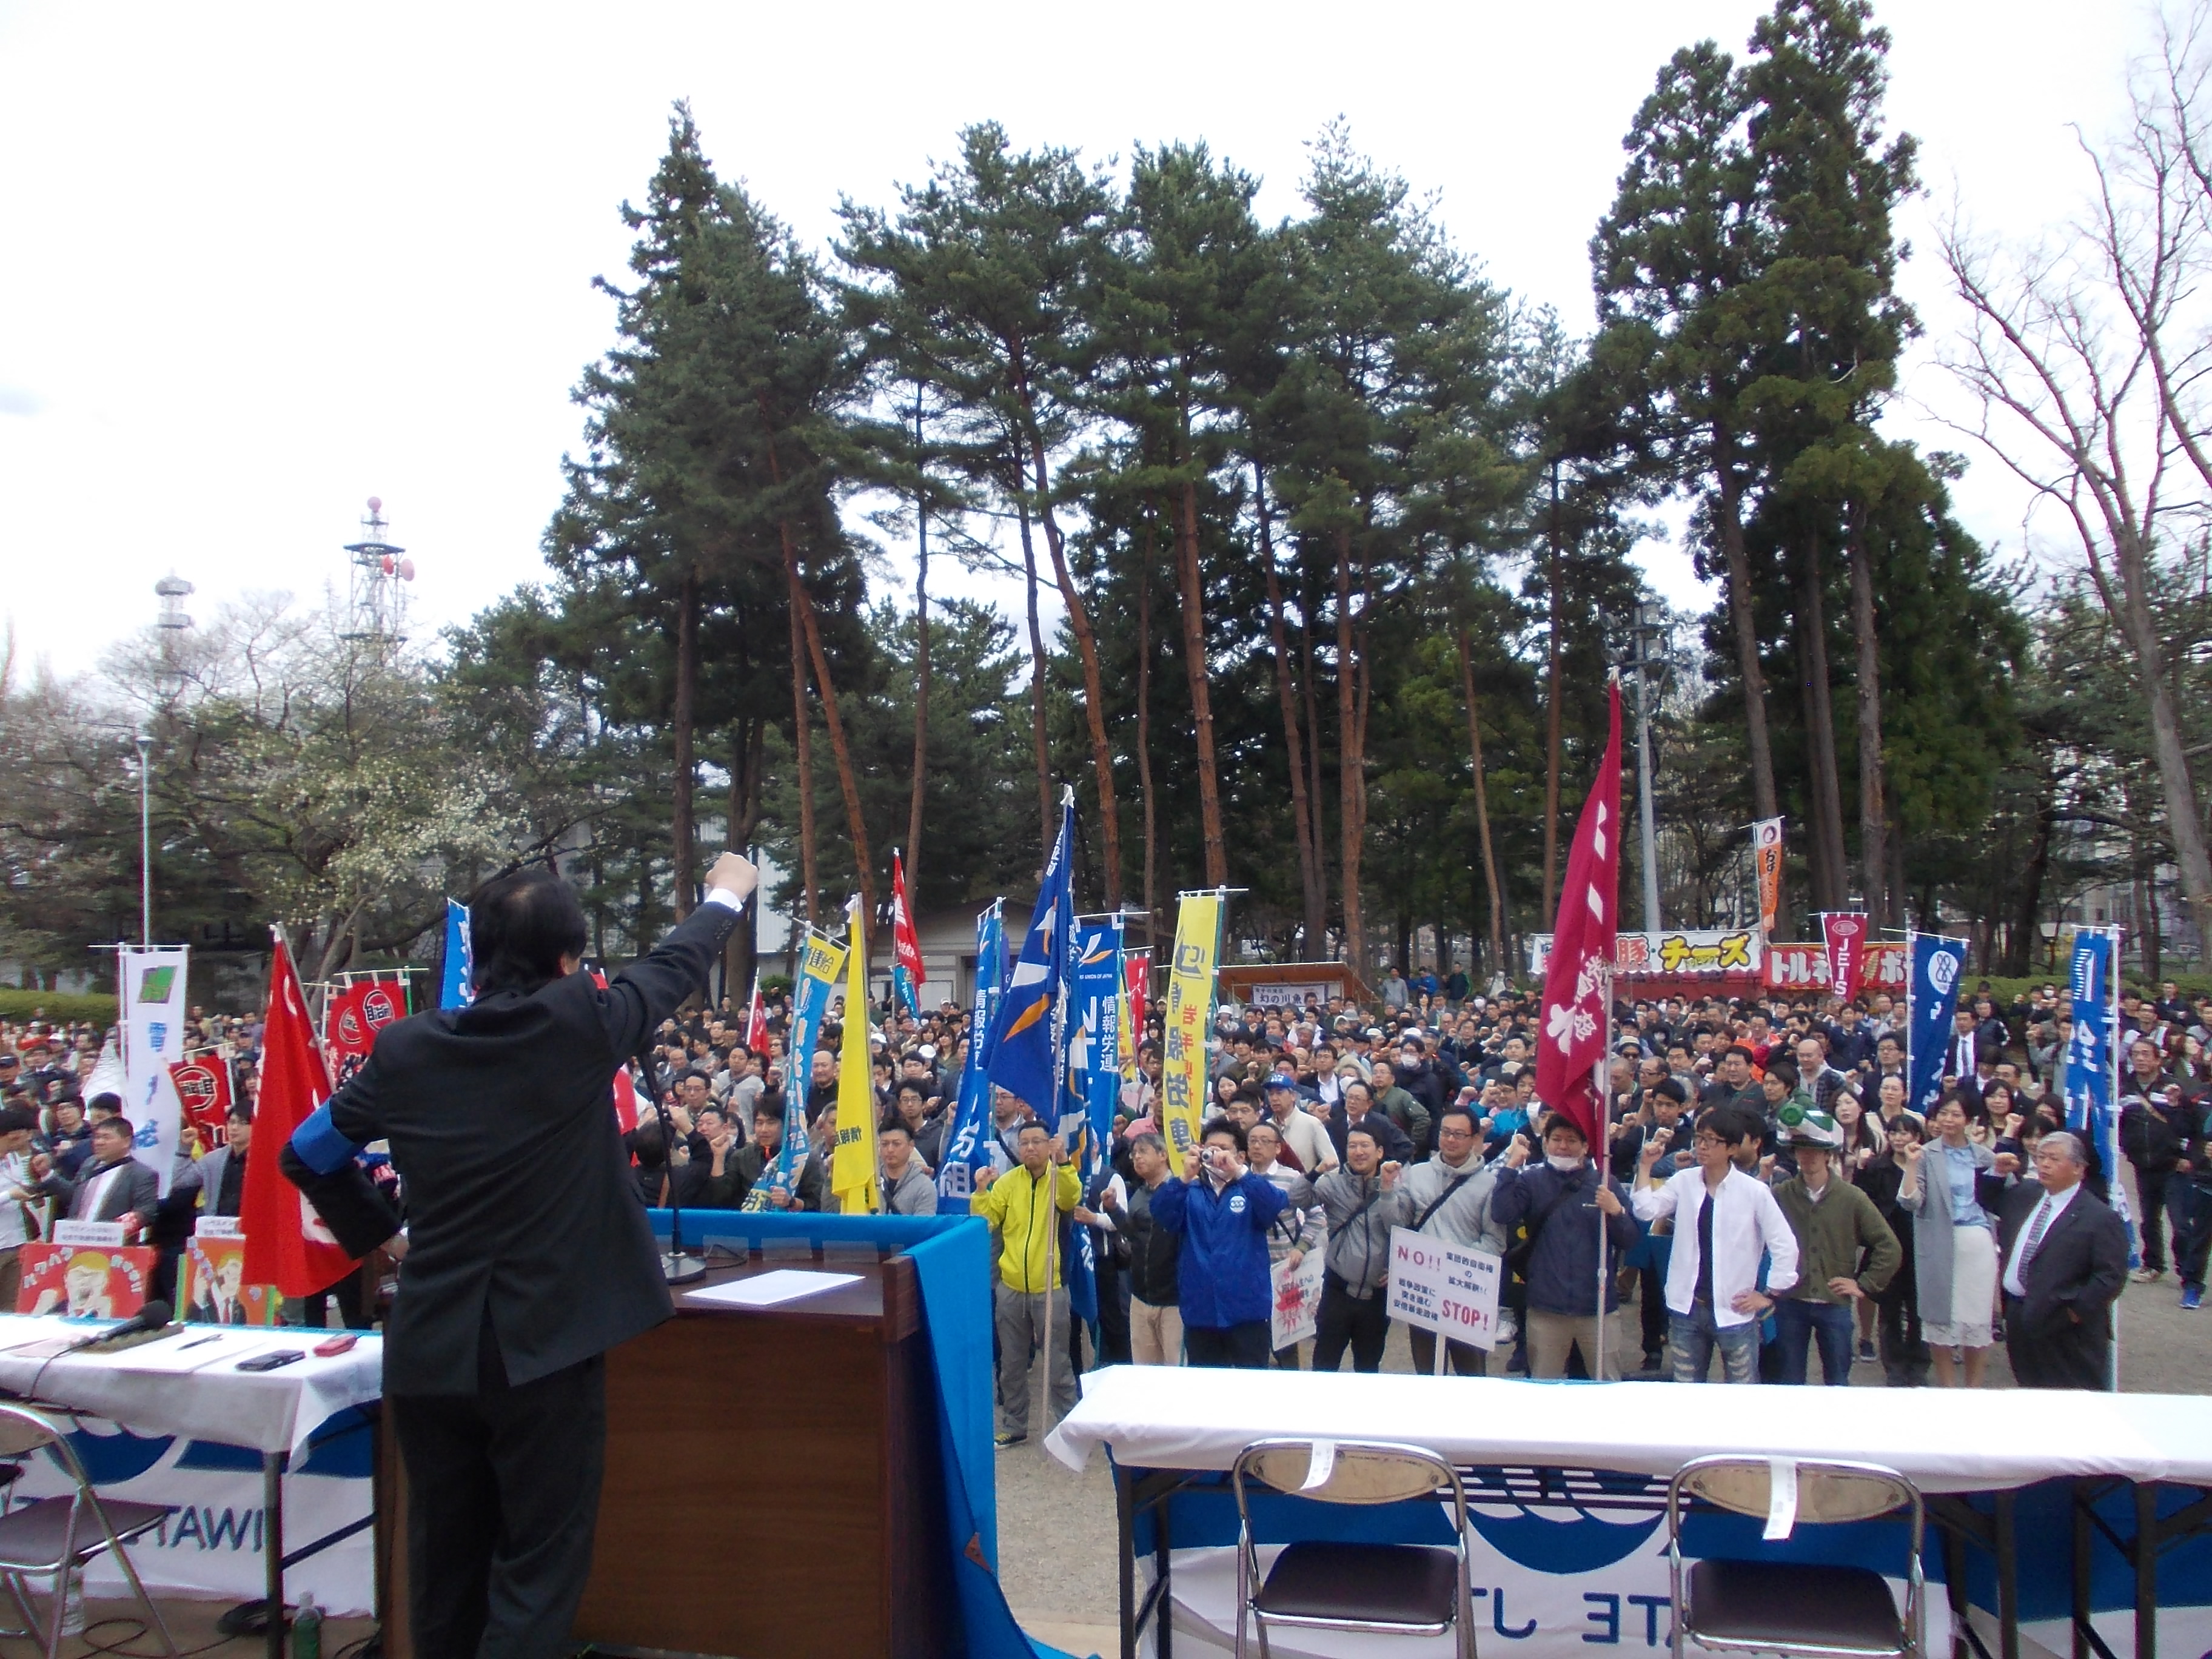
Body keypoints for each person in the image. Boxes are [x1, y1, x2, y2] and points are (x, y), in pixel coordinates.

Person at [280, 851, 757, 1659]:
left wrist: (383, 1237)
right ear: (570, 960)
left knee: (445, 1570)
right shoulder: (582, 1023)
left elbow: (306, 1151)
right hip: (546, 1355)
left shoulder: (405, 1050)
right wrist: (726, 893)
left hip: (429, 1350)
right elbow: (676, 963)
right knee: (536, 1573)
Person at [1631, 1105, 1800, 1384]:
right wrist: (1646, 1167)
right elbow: (1646, 1210)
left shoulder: (1753, 1191)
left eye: (1712, 1140)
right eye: (1700, 1139)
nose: (1703, 1147)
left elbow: (1784, 1244)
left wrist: (1769, 1293)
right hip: (1687, 1306)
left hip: (1735, 1309)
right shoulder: (1684, 1181)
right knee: (1687, 1390)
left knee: (1742, 1390)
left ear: (1731, 1148)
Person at [1491, 1113, 1637, 1379]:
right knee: (1544, 1386)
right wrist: (1510, 1167)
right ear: (1545, 1142)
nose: (1562, 1146)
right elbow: (1502, 1213)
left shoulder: (1604, 1184)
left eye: (1571, 1140)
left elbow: (1629, 1240)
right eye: (1556, 1139)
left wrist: (1616, 1212)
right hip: (1547, 1307)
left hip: (1597, 1307)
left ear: (1585, 1146)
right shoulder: (1531, 1181)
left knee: (1606, 1385)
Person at [1768, 1116, 1902, 1386]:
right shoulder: (1781, 1194)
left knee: (1838, 1381)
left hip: (1834, 1303)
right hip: (1791, 1300)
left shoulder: (1851, 1196)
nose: (1809, 1157)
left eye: (1816, 1150)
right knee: (1790, 1380)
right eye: (1802, 1150)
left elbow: (1889, 1246)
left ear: (1828, 1155)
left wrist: (1864, 1284)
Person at [1989, 1131, 2128, 1389]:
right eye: (2041, 1157)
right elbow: (1988, 1198)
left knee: (2069, 1396)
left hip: (2065, 1324)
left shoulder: (2098, 1217)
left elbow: (2110, 1276)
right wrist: (1997, 1172)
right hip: (2020, 1313)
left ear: (2078, 1168)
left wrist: (2075, 1312)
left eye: (2054, 1159)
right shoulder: (2026, 1195)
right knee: (2030, 1388)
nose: (2045, 1165)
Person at [970, 1121, 1080, 1447]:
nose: (1030, 1148)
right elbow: (987, 1221)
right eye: (1025, 1143)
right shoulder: (1008, 1183)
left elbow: (1071, 1198)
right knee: (1011, 1363)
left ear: (1049, 1146)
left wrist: (1063, 1162)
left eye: (1037, 1142)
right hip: (1011, 1287)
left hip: (1051, 1287)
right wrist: (980, 1192)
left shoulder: (1060, 1178)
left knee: (1058, 1362)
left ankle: (1070, 1425)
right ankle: (1015, 1425)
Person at [1150, 1119, 1287, 1367]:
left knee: (1250, 1385)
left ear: (1241, 1156)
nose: (1216, 1155)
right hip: (1201, 1310)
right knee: (1206, 1390)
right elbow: (1161, 1214)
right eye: (1210, 1148)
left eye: (1224, 1149)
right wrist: (1183, 1177)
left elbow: (1275, 1205)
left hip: (1247, 1309)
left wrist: (1239, 1171)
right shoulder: (1190, 1190)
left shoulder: (1249, 1188)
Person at [1895, 1092, 1999, 1387]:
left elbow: (1996, 1198)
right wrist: (1912, 1164)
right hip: (1940, 1239)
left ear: (1968, 1119)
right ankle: (1947, 1387)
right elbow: (1910, 1201)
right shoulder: (1926, 1153)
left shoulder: (1983, 1155)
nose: (1949, 1120)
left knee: (1976, 1318)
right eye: (1944, 1113)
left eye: (1956, 1114)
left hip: (1977, 1241)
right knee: (1940, 1317)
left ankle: (1974, 1387)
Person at [1393, 1104, 1504, 1376]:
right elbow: (1398, 1223)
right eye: (1445, 1133)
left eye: (1458, 1134)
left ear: (1474, 1139)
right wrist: (1387, 1193)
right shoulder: (1416, 1174)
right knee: (1428, 1372)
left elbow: (1495, 1240)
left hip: (1466, 1293)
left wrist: (1455, 1265)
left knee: (1471, 1374)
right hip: (1423, 1291)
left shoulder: (1490, 1183)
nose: (1450, 1140)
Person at [1310, 1123, 1401, 1373]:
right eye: (1352, 1146)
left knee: (1368, 1367)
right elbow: (1297, 1200)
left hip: (1376, 1295)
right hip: (1338, 1289)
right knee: (1324, 1365)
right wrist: (1314, 1173)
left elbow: (1399, 1228)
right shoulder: (1331, 1183)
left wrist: (1386, 1190)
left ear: (1380, 1152)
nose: (1358, 1152)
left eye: (1365, 1146)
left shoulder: (1397, 1184)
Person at [1243, 1119, 1324, 1367]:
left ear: (1278, 1148)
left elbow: (1317, 1216)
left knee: (1285, 1341)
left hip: (1283, 1271)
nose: (1257, 1147)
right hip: (1247, 1271)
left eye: (1264, 1142)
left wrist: (1301, 1248)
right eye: (1253, 1141)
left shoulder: (1292, 1178)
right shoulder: (1238, 1178)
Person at [1858, 1114, 1932, 1386]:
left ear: (1917, 1137)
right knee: (1889, 1310)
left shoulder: (1926, 1166)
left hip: (1919, 1245)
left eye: (1906, 1133)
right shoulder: (1877, 1167)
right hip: (1887, 1246)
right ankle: (1894, 1364)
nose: (1899, 1138)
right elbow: (1865, 1202)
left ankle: (1919, 1363)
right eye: (1894, 1133)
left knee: (1918, 1309)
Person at [1101, 1131, 1182, 1366]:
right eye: (1134, 1154)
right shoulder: (1141, 1191)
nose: (1136, 1158)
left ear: (1163, 1155)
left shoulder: (1178, 1190)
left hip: (1173, 1300)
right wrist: (1113, 1209)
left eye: (1143, 1152)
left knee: (1175, 1368)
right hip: (1141, 1294)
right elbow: (1133, 1233)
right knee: (1144, 1370)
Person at [33, 1115, 158, 1234]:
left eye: (106, 1137)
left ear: (126, 1141)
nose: (99, 1142)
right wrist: (47, 1173)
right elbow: (73, 1195)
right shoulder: (89, 1164)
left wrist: (122, 1226)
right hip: (74, 1237)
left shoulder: (141, 1174)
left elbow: (146, 1210)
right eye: (97, 1137)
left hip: (111, 1245)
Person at [875, 1120, 936, 1215]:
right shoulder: (871, 1182)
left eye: (896, 1144)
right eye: (885, 1144)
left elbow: (923, 1227)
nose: (890, 1150)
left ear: (911, 1146)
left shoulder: (924, 1186)